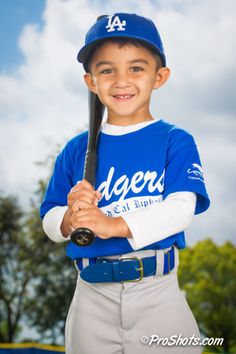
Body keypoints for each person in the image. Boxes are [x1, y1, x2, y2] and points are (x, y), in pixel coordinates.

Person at [40, 13, 210, 354]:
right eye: (106, 70)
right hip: (91, 294)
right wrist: (69, 218)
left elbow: (180, 209)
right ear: (91, 81)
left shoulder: (174, 140)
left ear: (159, 77)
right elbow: (49, 217)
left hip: (157, 290)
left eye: (136, 68)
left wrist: (111, 224)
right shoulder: (76, 149)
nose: (121, 81)